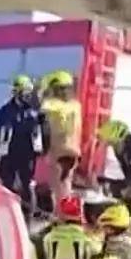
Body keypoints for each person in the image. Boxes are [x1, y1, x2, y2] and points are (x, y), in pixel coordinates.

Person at [0, 75, 45, 204]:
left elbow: (43, 132)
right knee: (6, 184)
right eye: (25, 93)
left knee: (28, 185)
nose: (28, 96)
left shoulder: (35, 113)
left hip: (27, 155)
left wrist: (42, 151)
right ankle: (6, 207)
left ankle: (28, 212)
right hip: (9, 154)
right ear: (17, 93)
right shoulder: (5, 111)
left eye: (29, 93)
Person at [40, 71, 83, 202]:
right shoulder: (75, 106)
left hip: (58, 151)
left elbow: (43, 111)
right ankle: (68, 209)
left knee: (58, 188)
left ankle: (62, 212)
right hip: (73, 151)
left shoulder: (51, 106)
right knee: (65, 185)